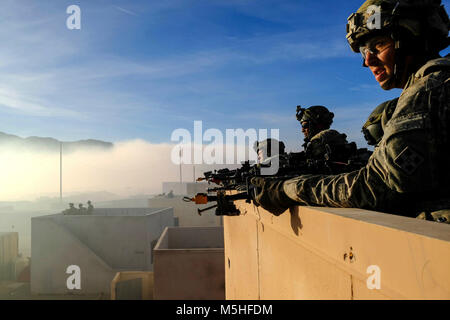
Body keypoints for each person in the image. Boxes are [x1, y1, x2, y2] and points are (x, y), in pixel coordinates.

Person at [251, 0, 450, 223]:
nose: (367, 61)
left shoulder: (427, 93)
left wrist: (288, 189)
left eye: (378, 46)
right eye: (365, 51)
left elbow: (372, 189)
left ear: (410, 36)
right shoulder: (435, 85)